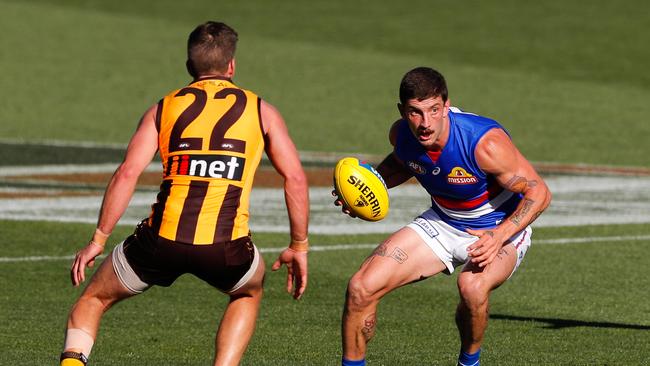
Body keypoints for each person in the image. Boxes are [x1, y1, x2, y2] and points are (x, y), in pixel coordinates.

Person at [59, 21, 310, 366]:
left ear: (189, 66)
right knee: (248, 291)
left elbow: (127, 173)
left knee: (92, 300)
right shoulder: (261, 110)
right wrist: (298, 247)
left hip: (159, 241)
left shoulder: (163, 109)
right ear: (232, 65)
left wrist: (98, 240)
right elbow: (294, 178)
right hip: (226, 248)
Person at [336, 67, 551, 366]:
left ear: (447, 106)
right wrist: (362, 191)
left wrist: (499, 235)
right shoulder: (402, 135)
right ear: (402, 111)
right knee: (361, 288)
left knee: (472, 289)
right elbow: (403, 164)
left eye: (434, 110)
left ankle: (468, 362)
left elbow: (539, 193)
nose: (425, 123)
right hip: (444, 220)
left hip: (499, 228)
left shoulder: (484, 143)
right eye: (415, 113)